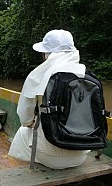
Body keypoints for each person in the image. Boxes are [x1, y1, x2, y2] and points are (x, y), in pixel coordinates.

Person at [8, 29, 89, 169]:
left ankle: (32, 169)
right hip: (82, 153)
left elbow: (24, 116)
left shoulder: (37, 76)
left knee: (23, 130)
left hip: (49, 157)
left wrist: (30, 123)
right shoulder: (85, 75)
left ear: (48, 54)